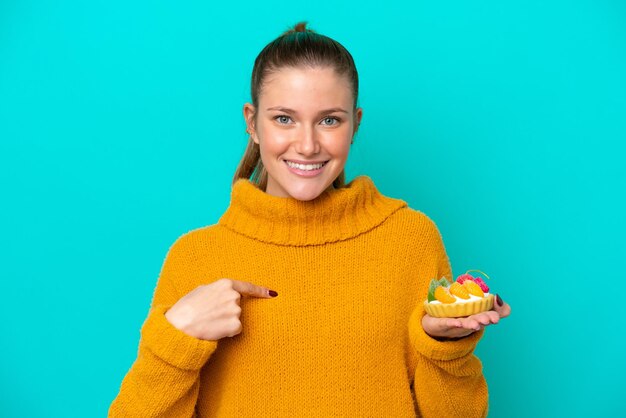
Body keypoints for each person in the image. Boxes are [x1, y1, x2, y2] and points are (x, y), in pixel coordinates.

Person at [109, 21, 511, 418]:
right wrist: (177, 336)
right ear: (252, 123)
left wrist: (444, 349)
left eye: (329, 120)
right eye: (284, 118)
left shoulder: (411, 240)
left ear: (355, 123)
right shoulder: (195, 258)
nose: (307, 145)